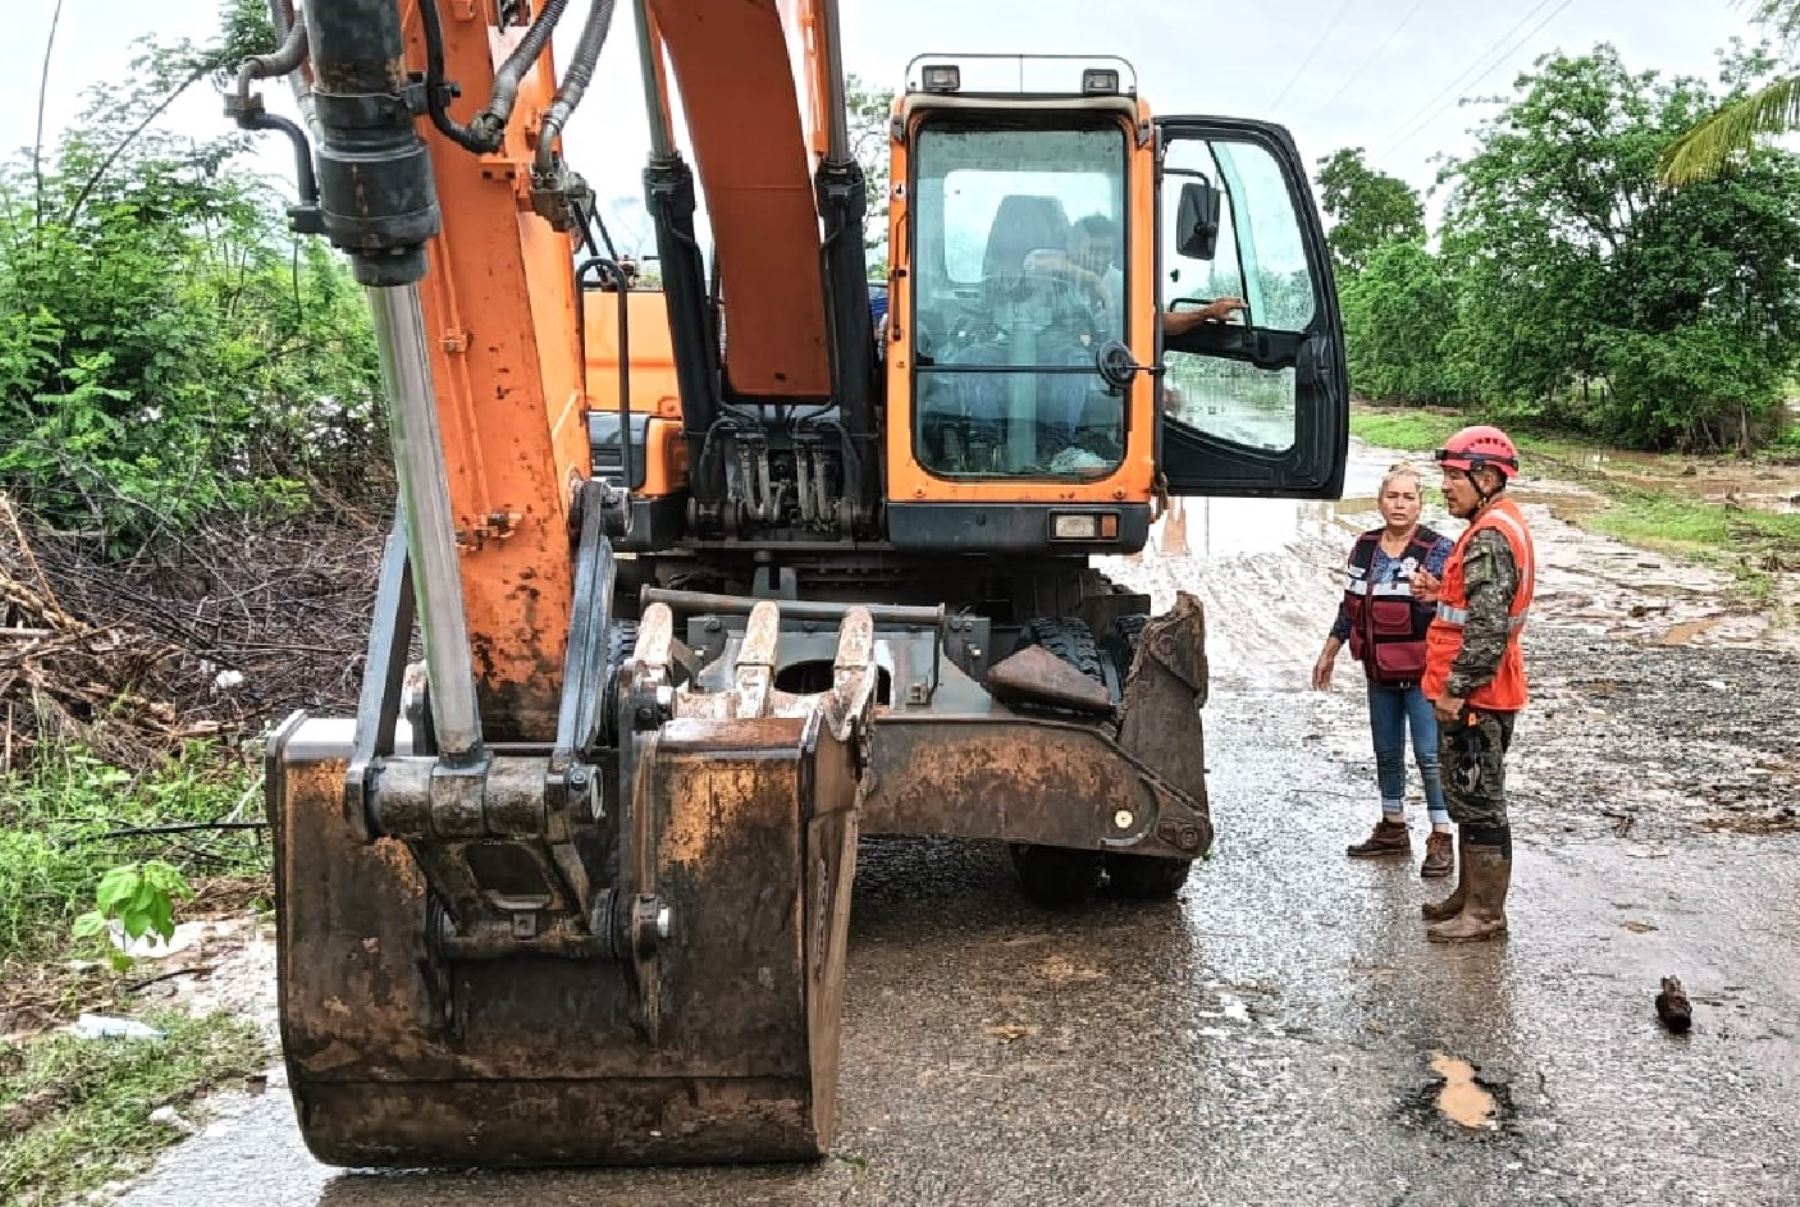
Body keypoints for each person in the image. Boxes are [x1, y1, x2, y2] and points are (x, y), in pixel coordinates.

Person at [1410, 425, 1537, 944]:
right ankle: (1470, 896)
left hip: (1478, 698)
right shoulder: (1496, 523)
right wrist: (1441, 593)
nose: (1445, 487)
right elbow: (1479, 607)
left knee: (1480, 801)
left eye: (1453, 477)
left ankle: (1486, 914)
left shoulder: (1489, 536)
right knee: (1467, 797)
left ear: (1486, 477)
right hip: (1483, 690)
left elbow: (1486, 628)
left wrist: (1456, 689)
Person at [1313, 464, 1456, 876]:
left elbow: (1457, 607)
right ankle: (1392, 827)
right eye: (1393, 496)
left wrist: (1435, 595)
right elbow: (1350, 604)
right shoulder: (1365, 547)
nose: (1399, 504)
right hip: (1380, 672)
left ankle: (1441, 836)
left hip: (1424, 673)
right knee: (1387, 753)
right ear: (1380, 502)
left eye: (1408, 497)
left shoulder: (1439, 550)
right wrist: (1331, 649)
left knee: (1430, 757)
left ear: (1420, 504)